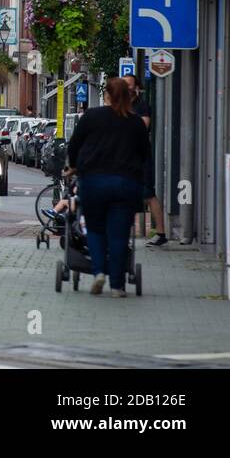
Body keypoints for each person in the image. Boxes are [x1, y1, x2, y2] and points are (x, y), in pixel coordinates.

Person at [65, 77, 151, 297]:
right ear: (128, 96)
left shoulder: (91, 117)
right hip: (126, 184)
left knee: (94, 229)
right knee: (119, 235)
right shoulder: (136, 123)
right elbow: (144, 155)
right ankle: (116, 286)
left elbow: (74, 145)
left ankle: (99, 272)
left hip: (93, 182)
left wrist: (74, 166)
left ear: (107, 96)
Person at [122, 73, 166, 247]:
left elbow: (143, 126)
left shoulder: (141, 105)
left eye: (130, 85)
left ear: (136, 88)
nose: (127, 88)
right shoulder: (121, 105)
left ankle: (161, 233)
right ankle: (125, 233)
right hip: (124, 156)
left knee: (148, 194)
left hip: (140, 156)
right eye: (124, 85)